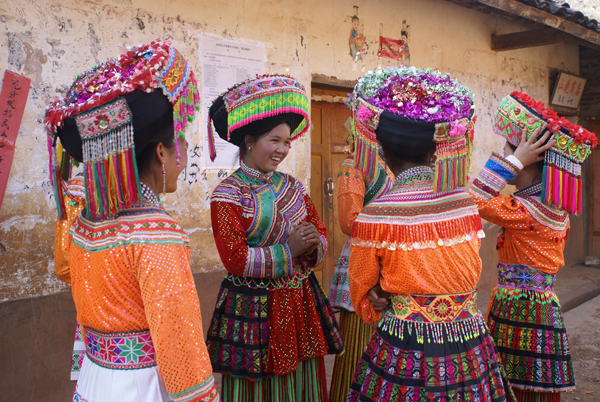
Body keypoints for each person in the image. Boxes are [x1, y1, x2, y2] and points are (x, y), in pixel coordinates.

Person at [47, 40, 219, 402]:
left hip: (95, 379)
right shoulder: (157, 235)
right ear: (161, 152)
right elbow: (179, 343)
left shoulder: (86, 224)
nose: (185, 154)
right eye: (181, 143)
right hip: (142, 385)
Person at [346, 67, 514, 401]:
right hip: (466, 337)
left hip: (405, 341)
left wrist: (377, 298)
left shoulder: (375, 214)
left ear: (382, 151)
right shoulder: (464, 203)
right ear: (437, 150)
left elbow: (363, 290)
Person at [206, 74, 344, 402]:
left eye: (287, 142)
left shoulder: (292, 186)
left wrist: (313, 242)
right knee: (259, 385)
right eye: (275, 140)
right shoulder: (228, 194)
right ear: (249, 141)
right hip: (254, 307)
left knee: (302, 381)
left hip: (298, 300)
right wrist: (289, 249)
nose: (282, 149)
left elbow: (319, 230)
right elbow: (235, 259)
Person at [470, 91, 597, 402]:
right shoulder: (552, 207)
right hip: (540, 305)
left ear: (528, 162)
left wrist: (514, 161)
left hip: (519, 308)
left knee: (512, 385)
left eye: (506, 154)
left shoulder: (525, 211)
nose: (504, 157)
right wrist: (518, 160)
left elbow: (473, 201)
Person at [328, 148, 393, 402]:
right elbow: (350, 221)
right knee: (361, 341)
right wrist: (395, 231)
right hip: (366, 258)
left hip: (393, 258)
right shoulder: (354, 165)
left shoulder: (391, 162)